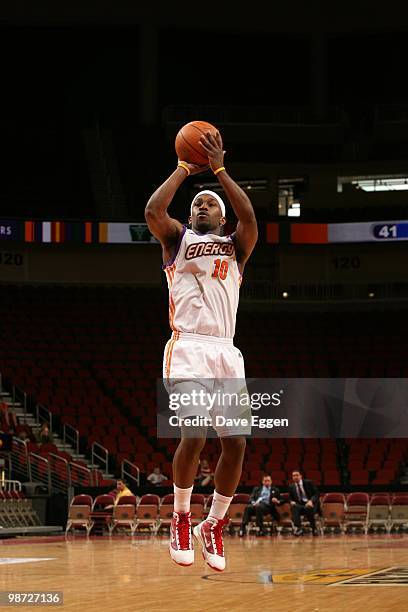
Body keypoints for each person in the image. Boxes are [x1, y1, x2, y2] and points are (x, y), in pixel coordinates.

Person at [145, 130, 257, 571]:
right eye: (197, 204)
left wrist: (221, 171)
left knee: (237, 445)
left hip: (226, 353)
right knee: (195, 433)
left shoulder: (238, 247)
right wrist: (184, 169)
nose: (202, 206)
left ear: (222, 216)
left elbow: (250, 218)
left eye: (210, 203)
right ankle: (180, 516)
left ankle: (213, 524)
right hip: (188, 347)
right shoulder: (178, 241)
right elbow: (154, 210)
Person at [288, 470, 320, 536]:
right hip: (300, 506)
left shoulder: (308, 483)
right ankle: (299, 528)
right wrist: (291, 502)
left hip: (310, 504)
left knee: (308, 507)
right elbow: (290, 498)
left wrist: (311, 501)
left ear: (300, 476)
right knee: (294, 507)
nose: (295, 477)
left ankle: (314, 528)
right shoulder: (291, 486)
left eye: (297, 475)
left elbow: (316, 494)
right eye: (293, 476)